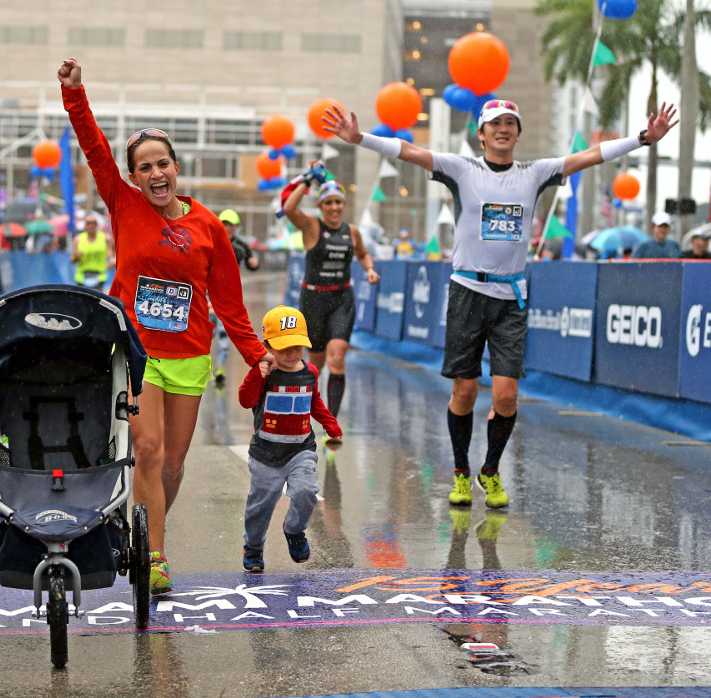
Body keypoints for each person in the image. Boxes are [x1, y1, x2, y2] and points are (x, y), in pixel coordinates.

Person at [323, 98, 677, 508]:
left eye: (510, 123)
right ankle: (460, 472)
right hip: (467, 294)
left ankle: (489, 471)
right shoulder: (462, 169)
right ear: (482, 134)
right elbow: (410, 151)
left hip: (511, 297)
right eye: (495, 123)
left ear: (518, 134)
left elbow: (590, 155)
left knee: (506, 396)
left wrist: (643, 138)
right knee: (465, 391)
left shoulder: (534, 173)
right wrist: (359, 138)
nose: (503, 129)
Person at [58, 57, 274, 591]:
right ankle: (154, 556)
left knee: (173, 465)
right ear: (133, 177)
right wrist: (75, 95)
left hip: (190, 356)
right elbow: (94, 148)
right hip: (137, 353)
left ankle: (145, 529)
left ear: (176, 169)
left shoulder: (209, 228)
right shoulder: (122, 204)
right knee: (148, 451)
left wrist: (257, 356)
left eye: (163, 164)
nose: (156, 174)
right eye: (145, 167)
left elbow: (230, 305)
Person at [238, 306, 341, 572]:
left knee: (307, 491)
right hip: (266, 454)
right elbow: (245, 400)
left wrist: (330, 423)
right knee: (260, 506)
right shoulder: (264, 373)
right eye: (284, 348)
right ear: (267, 346)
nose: (292, 354)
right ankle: (253, 547)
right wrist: (255, 375)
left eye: (297, 347)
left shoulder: (310, 372)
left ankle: (294, 530)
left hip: (300, 450)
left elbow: (314, 402)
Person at [283, 164, 380, 426]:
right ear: (320, 205)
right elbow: (289, 209)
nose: (334, 207)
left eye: (338, 202)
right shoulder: (312, 226)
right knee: (316, 363)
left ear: (344, 204)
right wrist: (307, 180)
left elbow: (362, 253)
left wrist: (370, 269)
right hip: (313, 300)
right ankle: (305, 412)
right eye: (329, 203)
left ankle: (332, 423)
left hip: (341, 299)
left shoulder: (352, 231)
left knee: (337, 355)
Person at [211, 209, 260, 387]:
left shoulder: (241, 246)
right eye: (224, 223)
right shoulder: (210, 239)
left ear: (236, 226)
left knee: (224, 334)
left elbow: (251, 263)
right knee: (206, 333)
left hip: (228, 297)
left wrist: (254, 264)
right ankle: (203, 367)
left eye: (230, 224)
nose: (227, 227)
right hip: (208, 295)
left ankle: (220, 368)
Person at [70, 213, 113, 288]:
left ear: (97, 225)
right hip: (82, 278)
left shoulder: (106, 238)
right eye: (89, 223)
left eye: (94, 223)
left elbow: (110, 256)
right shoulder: (78, 239)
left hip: (100, 277)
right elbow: (72, 260)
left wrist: (111, 261)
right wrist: (76, 257)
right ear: (85, 226)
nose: (91, 225)